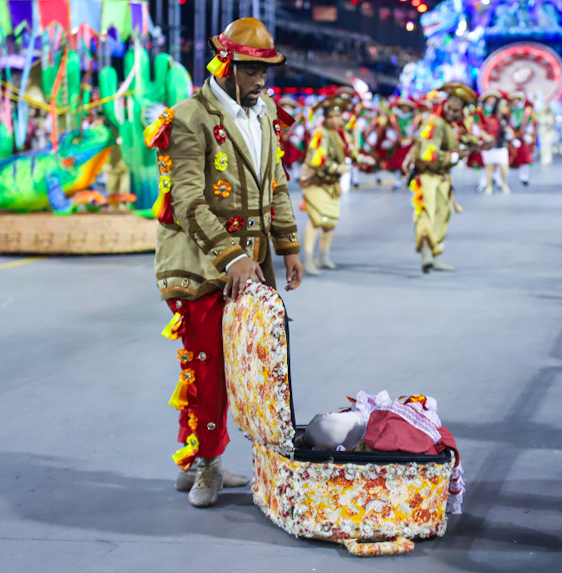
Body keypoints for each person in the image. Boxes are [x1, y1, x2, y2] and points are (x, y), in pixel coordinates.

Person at [144, 17, 304, 508]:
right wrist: (230, 255)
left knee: (240, 365)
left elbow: (274, 183)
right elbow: (188, 198)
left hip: (250, 262)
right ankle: (208, 467)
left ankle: (194, 456)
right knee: (206, 365)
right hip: (200, 264)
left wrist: (288, 244)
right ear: (229, 65)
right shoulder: (191, 116)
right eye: (254, 71)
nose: (262, 81)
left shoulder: (266, 111)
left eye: (266, 71)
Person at [402, 83, 480, 273]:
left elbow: (470, 140)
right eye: (450, 109)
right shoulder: (434, 123)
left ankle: (436, 254)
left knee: (443, 214)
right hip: (427, 175)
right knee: (426, 213)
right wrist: (452, 156)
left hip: (444, 177)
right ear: (444, 105)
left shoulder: (454, 125)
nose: (453, 113)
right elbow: (428, 153)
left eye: (457, 111)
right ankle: (426, 254)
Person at [300, 95, 374, 275]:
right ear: (325, 118)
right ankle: (308, 258)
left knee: (330, 221)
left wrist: (364, 159)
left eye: (338, 116)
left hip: (332, 183)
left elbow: (354, 152)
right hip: (317, 182)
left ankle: (323, 256)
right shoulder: (320, 134)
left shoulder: (342, 134)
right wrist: (338, 168)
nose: (335, 120)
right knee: (316, 219)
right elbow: (318, 161)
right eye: (331, 116)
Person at [507, 92, 536, 187]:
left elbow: (531, 124)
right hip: (511, 139)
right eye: (514, 101)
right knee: (506, 159)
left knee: (525, 158)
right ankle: (500, 178)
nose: (515, 103)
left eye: (517, 100)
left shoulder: (526, 112)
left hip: (523, 138)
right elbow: (505, 125)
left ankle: (524, 177)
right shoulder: (507, 112)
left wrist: (528, 135)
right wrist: (510, 136)